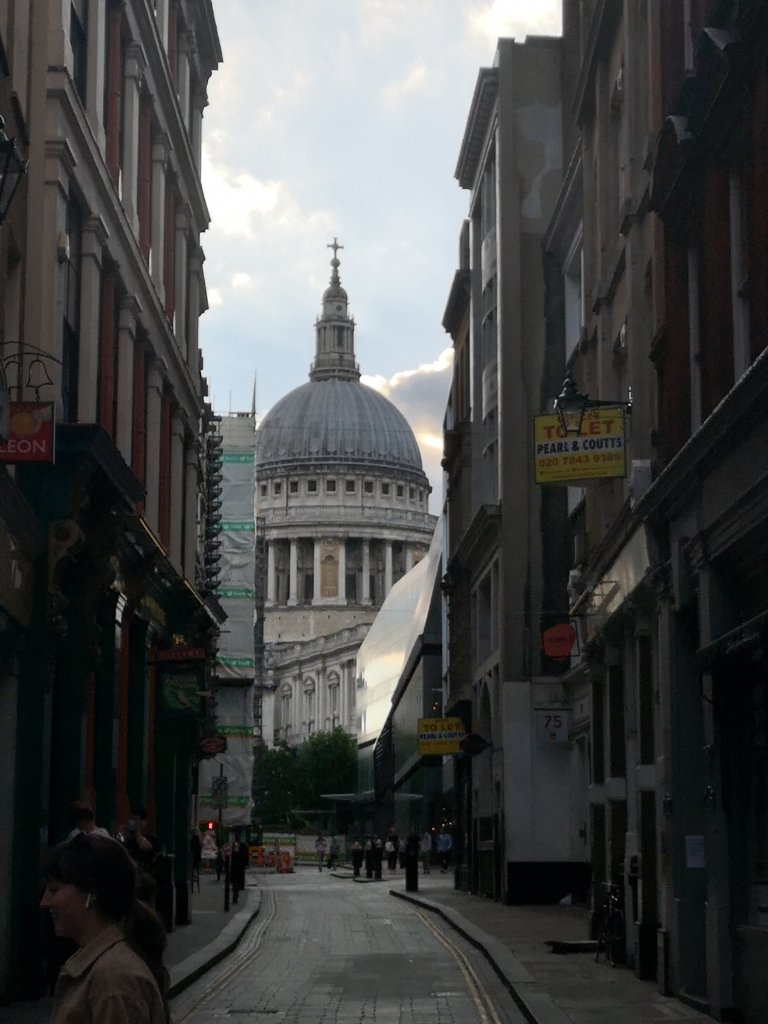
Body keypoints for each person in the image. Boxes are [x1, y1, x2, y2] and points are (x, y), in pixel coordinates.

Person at [41, 832, 170, 1022]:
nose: (45, 901)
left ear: (91, 893)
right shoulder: (106, 969)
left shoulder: (113, 980)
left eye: (54, 889)